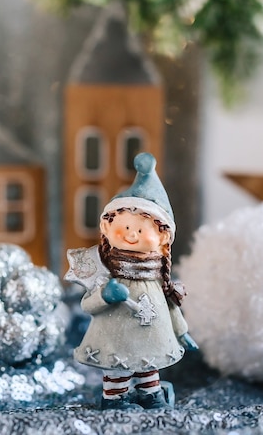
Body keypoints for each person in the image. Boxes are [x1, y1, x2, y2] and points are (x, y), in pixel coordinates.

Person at [66, 152, 198, 410]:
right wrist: (105, 296)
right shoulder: (105, 271)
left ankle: (149, 394)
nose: (131, 235)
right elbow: (87, 306)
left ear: (162, 237)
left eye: (140, 229)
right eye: (125, 227)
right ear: (106, 228)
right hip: (115, 339)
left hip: (151, 338)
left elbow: (170, 305)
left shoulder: (158, 275)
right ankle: (115, 398)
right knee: (117, 370)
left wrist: (182, 332)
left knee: (149, 368)